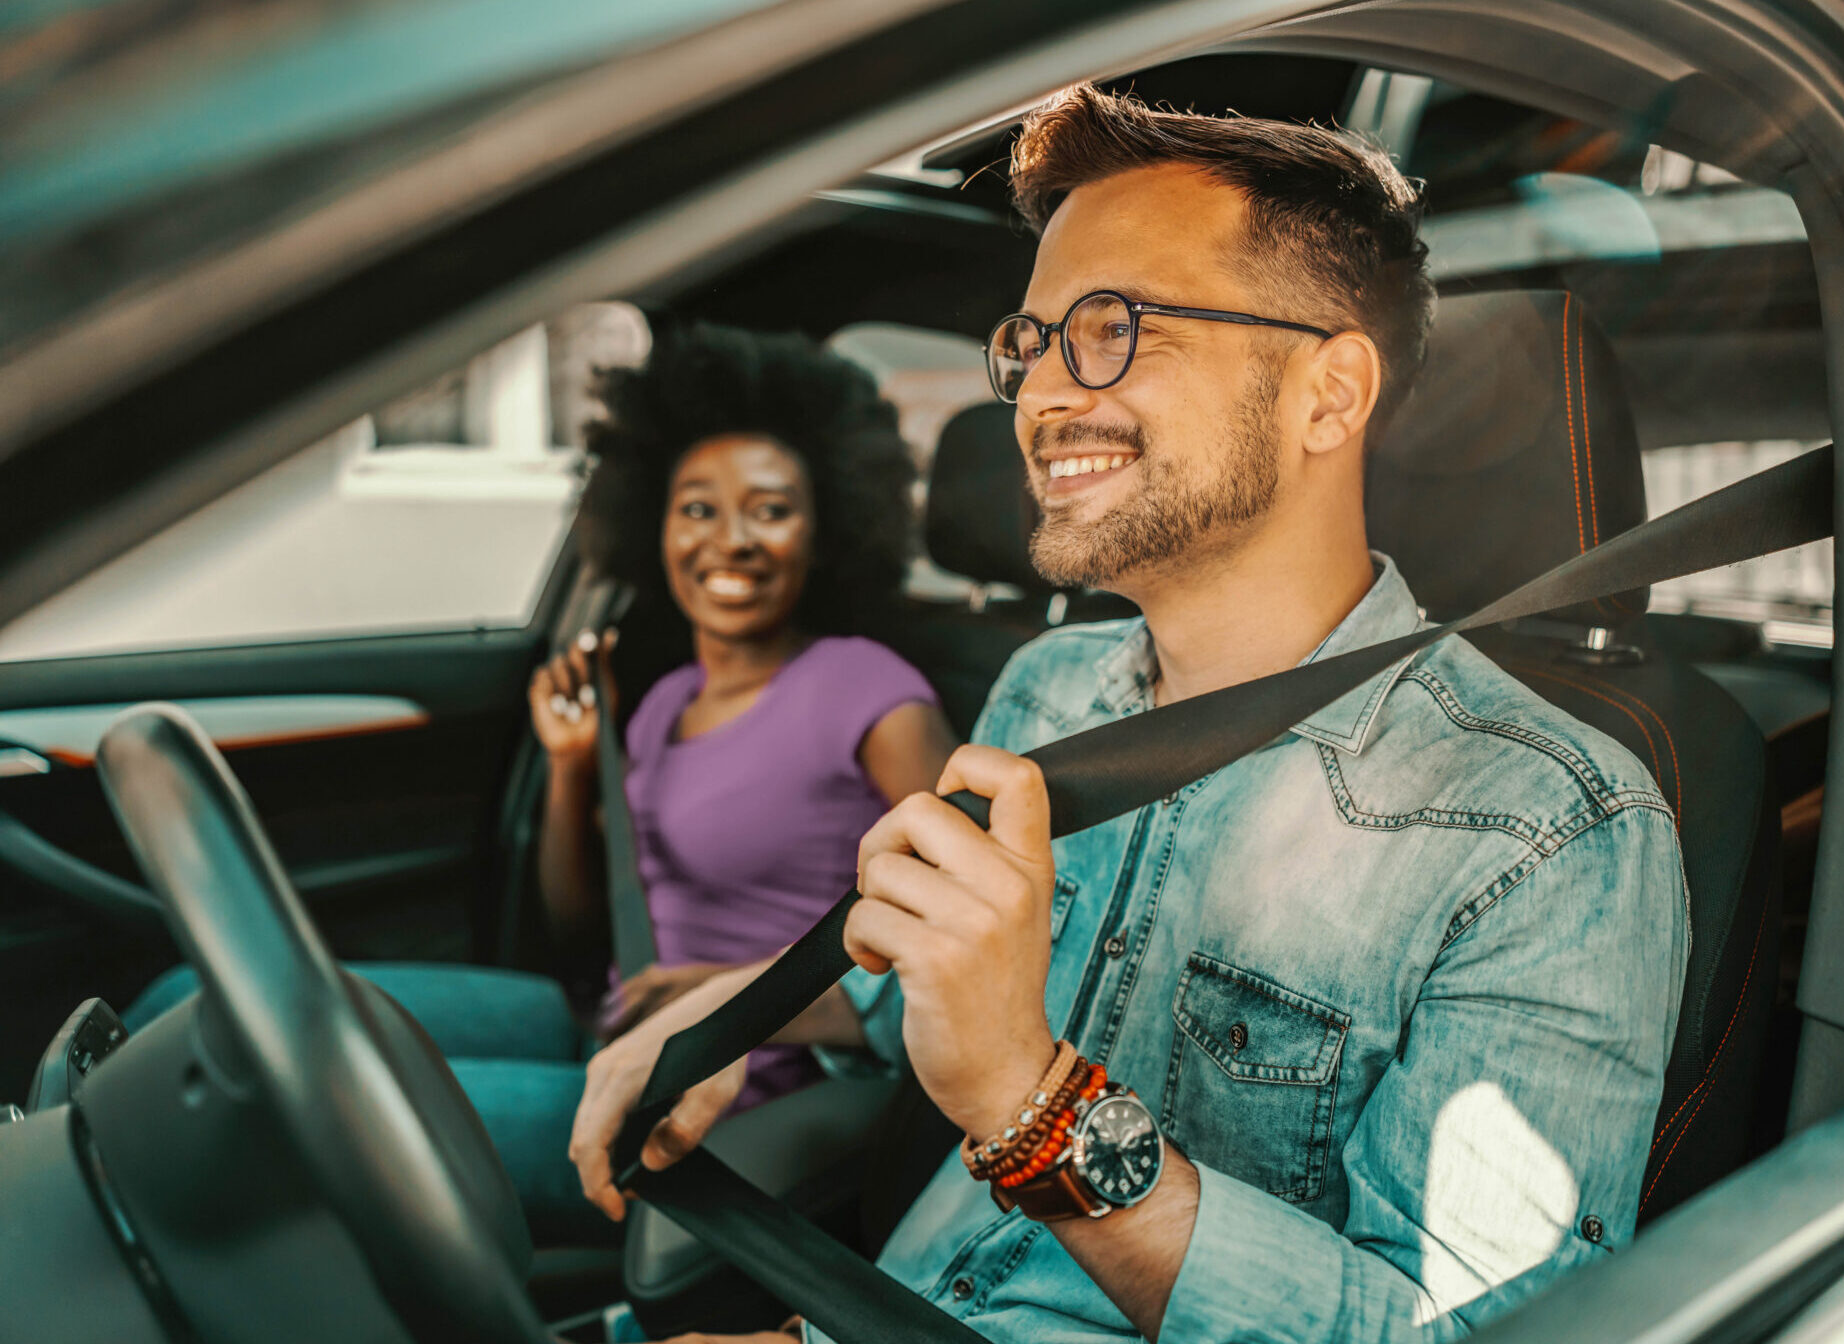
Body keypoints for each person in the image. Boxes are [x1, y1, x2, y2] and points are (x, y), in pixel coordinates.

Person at [570, 85, 1687, 1343]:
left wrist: (1032, 1104)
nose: (1041, 396)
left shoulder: (1549, 829)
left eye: (1114, 327)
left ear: (1330, 394)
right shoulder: (1047, 693)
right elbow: (941, 998)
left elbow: (1459, 1333)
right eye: (1032, 341)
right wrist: (727, 1017)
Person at [125, 323, 956, 1246]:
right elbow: (580, 927)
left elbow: (956, 940)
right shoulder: (666, 700)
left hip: (727, 1084)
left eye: (771, 510)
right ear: (653, 522)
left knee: (274, 1105)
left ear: (827, 529)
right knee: (194, 1006)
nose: (732, 540)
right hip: (604, 1024)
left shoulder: (871, 692)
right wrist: (570, 767)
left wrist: (731, 994)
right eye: (697, 509)